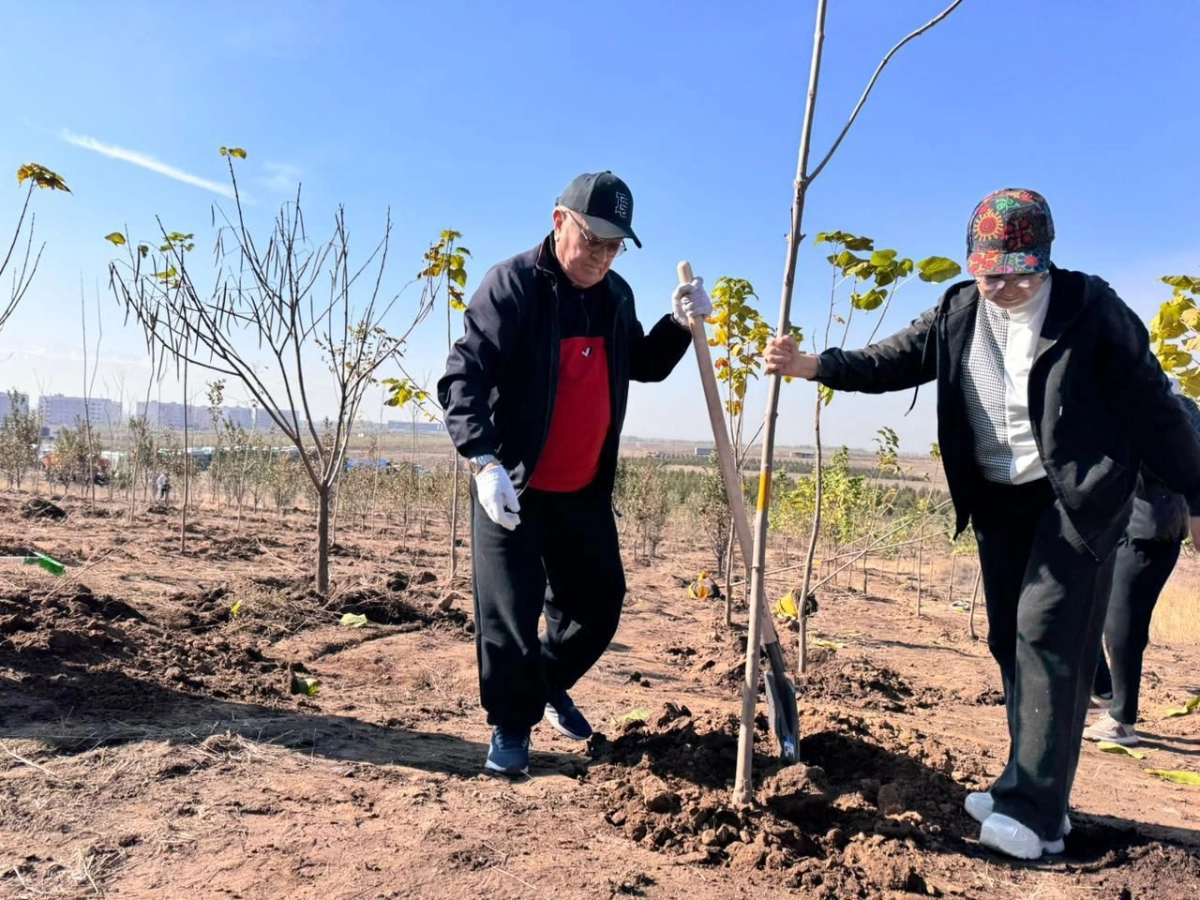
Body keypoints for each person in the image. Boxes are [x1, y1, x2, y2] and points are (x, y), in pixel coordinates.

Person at [763, 188, 1200, 861]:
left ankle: (1034, 811)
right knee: (1008, 640)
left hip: (1075, 499)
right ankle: (1029, 788)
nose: (1004, 287)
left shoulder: (1091, 309)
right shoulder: (959, 310)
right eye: (990, 274)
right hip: (999, 499)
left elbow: (1154, 409)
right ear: (973, 264)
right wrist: (812, 365)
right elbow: (893, 360)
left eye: (1020, 274)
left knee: (1048, 634)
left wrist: (1196, 493)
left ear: (1046, 260)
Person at [437, 171, 711, 776]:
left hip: (583, 489)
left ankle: (543, 684)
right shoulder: (510, 286)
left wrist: (678, 324)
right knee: (510, 616)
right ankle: (512, 727)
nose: (603, 257)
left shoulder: (616, 296)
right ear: (560, 221)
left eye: (615, 246)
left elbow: (642, 364)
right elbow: (463, 379)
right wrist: (483, 460)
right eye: (594, 241)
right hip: (513, 484)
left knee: (599, 605)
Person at [1085, 380, 1200, 746]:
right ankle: (1105, 693)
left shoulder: (1169, 416)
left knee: (1123, 625)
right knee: (1099, 614)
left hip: (1148, 532)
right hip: (1135, 528)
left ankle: (1122, 720)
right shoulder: (1180, 412)